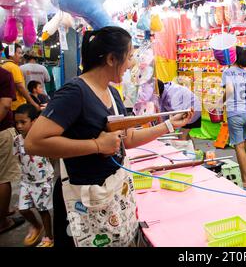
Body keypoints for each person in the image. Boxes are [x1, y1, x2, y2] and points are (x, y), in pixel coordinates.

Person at [24, 26, 193, 247]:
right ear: (112, 59)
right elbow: (34, 143)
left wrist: (170, 125)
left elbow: (128, 139)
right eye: (130, 57)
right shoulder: (75, 92)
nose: (131, 64)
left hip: (112, 196)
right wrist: (96, 145)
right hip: (83, 200)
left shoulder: (112, 93)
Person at [14, 104, 54, 247]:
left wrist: (49, 175)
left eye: (23, 122)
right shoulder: (17, 140)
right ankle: (37, 226)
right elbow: (19, 157)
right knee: (23, 209)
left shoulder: (41, 138)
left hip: (42, 181)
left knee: (42, 210)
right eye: (17, 122)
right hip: (26, 181)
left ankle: (49, 238)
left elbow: (53, 156)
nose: (19, 126)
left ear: (34, 121)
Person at [220, 46, 246, 188]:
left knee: (238, 145)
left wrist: (220, 103)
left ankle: (245, 180)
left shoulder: (228, 72)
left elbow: (229, 90)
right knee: (245, 138)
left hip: (235, 112)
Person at [0, 67, 25, 235]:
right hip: (1, 130)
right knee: (3, 177)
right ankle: (2, 221)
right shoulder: (4, 74)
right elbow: (5, 104)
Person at [1, 43, 40, 111]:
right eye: (19, 53)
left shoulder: (3, 66)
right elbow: (20, 87)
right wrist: (33, 103)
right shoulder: (14, 67)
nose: (21, 56)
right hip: (16, 106)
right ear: (11, 54)